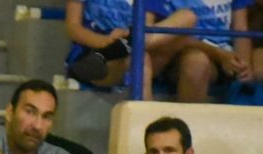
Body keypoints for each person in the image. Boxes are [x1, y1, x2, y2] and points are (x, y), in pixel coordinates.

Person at [165, 0, 263, 106]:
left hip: (228, 53)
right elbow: (172, 37)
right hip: (190, 51)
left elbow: (240, 28)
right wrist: (219, 55)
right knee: (197, 63)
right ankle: (189, 135)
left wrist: (244, 65)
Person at [63, 0, 197, 95]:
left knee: (188, 16)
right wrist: (106, 41)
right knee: (140, 61)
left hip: (135, 49)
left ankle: (129, 42)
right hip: (94, 54)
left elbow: (147, 28)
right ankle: (146, 129)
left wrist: (128, 38)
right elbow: (73, 29)